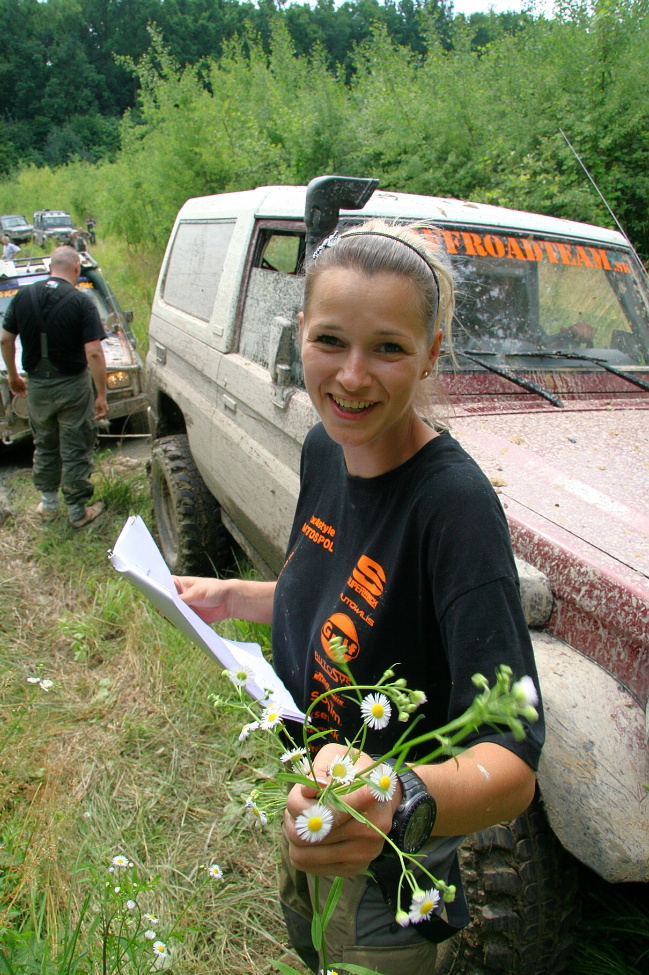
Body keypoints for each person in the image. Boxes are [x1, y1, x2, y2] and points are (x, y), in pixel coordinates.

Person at [174, 222, 544, 973]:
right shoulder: (325, 447)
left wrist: (400, 794)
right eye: (329, 340)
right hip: (316, 790)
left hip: (395, 850)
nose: (349, 376)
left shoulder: (455, 507)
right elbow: (348, 590)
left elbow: (514, 763)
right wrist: (236, 596)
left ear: (432, 353)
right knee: (309, 943)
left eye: (388, 347)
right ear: (299, 335)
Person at [1, 245, 107, 528]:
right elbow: (94, 352)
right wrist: (102, 394)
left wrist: (13, 376)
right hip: (72, 386)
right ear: (75, 268)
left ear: (50, 266)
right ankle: (77, 512)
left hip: (36, 386)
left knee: (45, 444)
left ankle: (48, 505)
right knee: (75, 446)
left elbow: (5, 339)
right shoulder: (81, 301)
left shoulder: (23, 296)